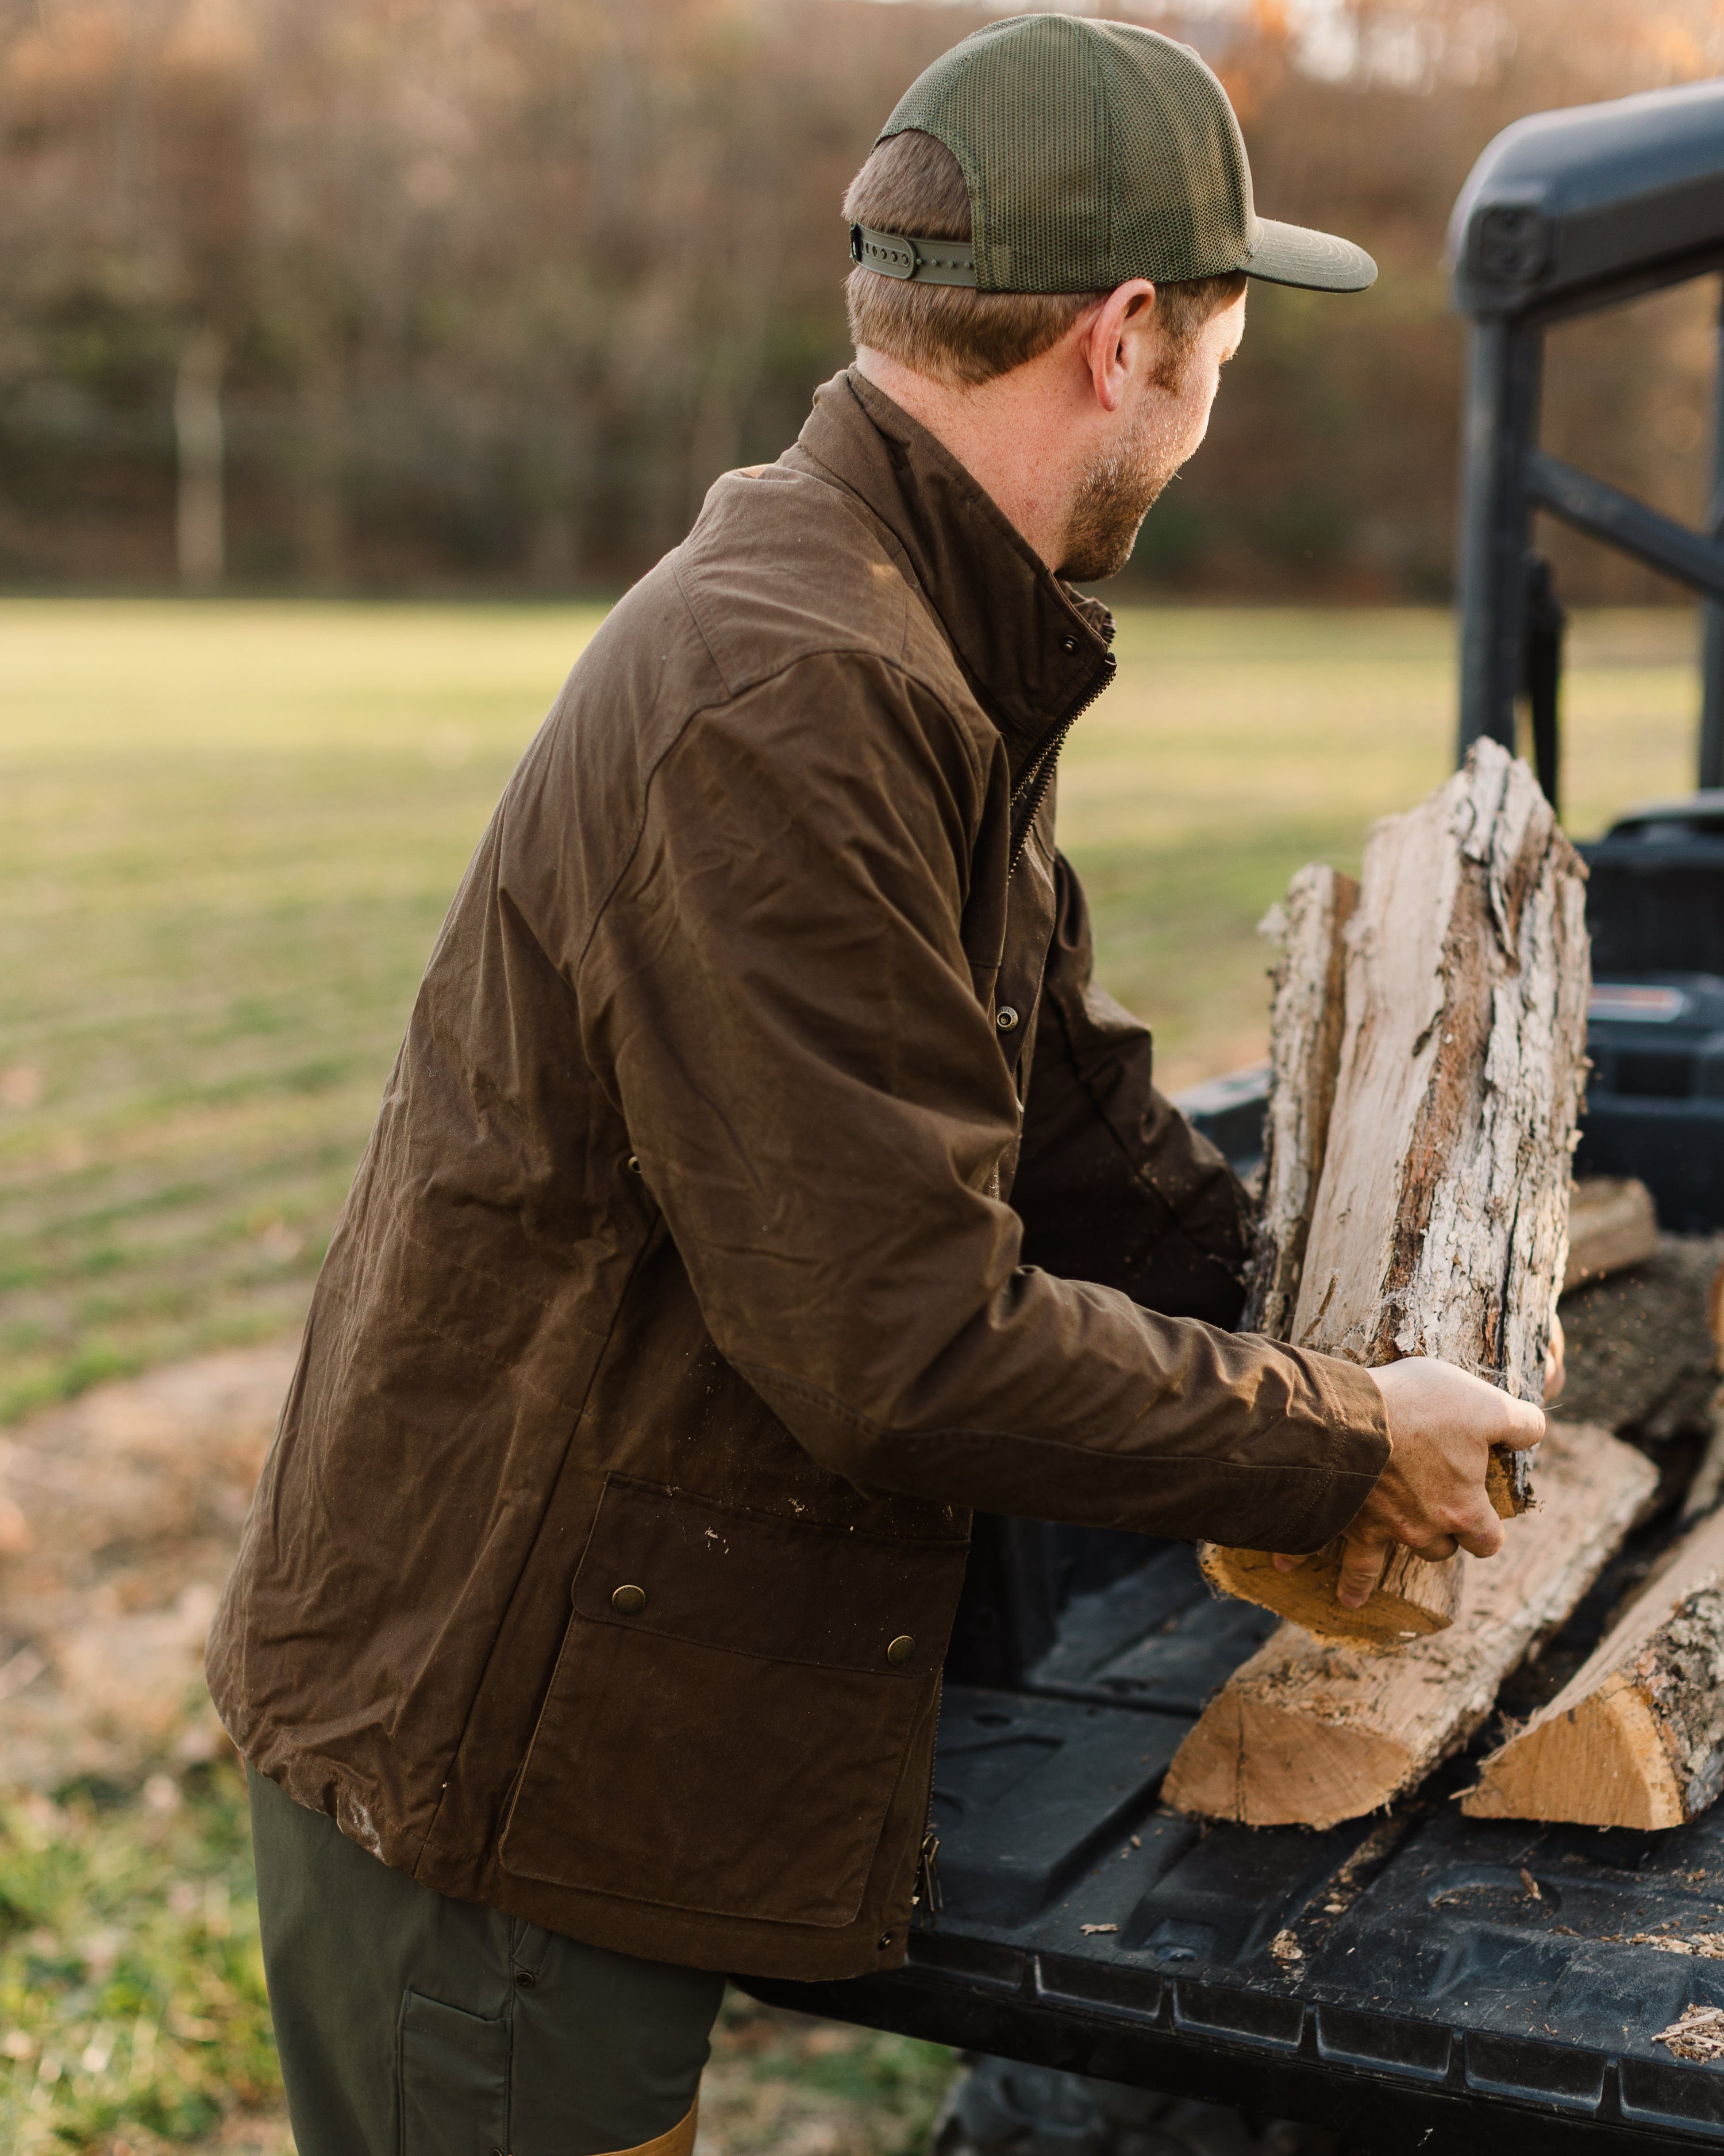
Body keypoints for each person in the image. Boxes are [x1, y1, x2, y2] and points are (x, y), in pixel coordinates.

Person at [207, 17, 1546, 2156]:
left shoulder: (917, 631)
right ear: (1124, 342)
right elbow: (901, 1343)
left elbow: (1065, 1107)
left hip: (605, 1709)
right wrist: (1332, 1445)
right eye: (1221, 340)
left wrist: (1316, 1320)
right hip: (498, 1773)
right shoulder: (794, 686)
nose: (1217, 401)